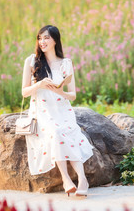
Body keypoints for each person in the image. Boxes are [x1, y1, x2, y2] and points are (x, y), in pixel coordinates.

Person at [21, 25, 94, 197]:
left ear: (55, 40)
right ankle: (66, 178)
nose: (42, 42)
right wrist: (39, 84)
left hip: (62, 110)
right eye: (39, 38)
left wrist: (60, 91)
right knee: (56, 132)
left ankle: (83, 179)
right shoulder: (31, 61)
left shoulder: (65, 63)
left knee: (70, 132)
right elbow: (24, 92)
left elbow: (73, 95)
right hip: (42, 110)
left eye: (46, 38)